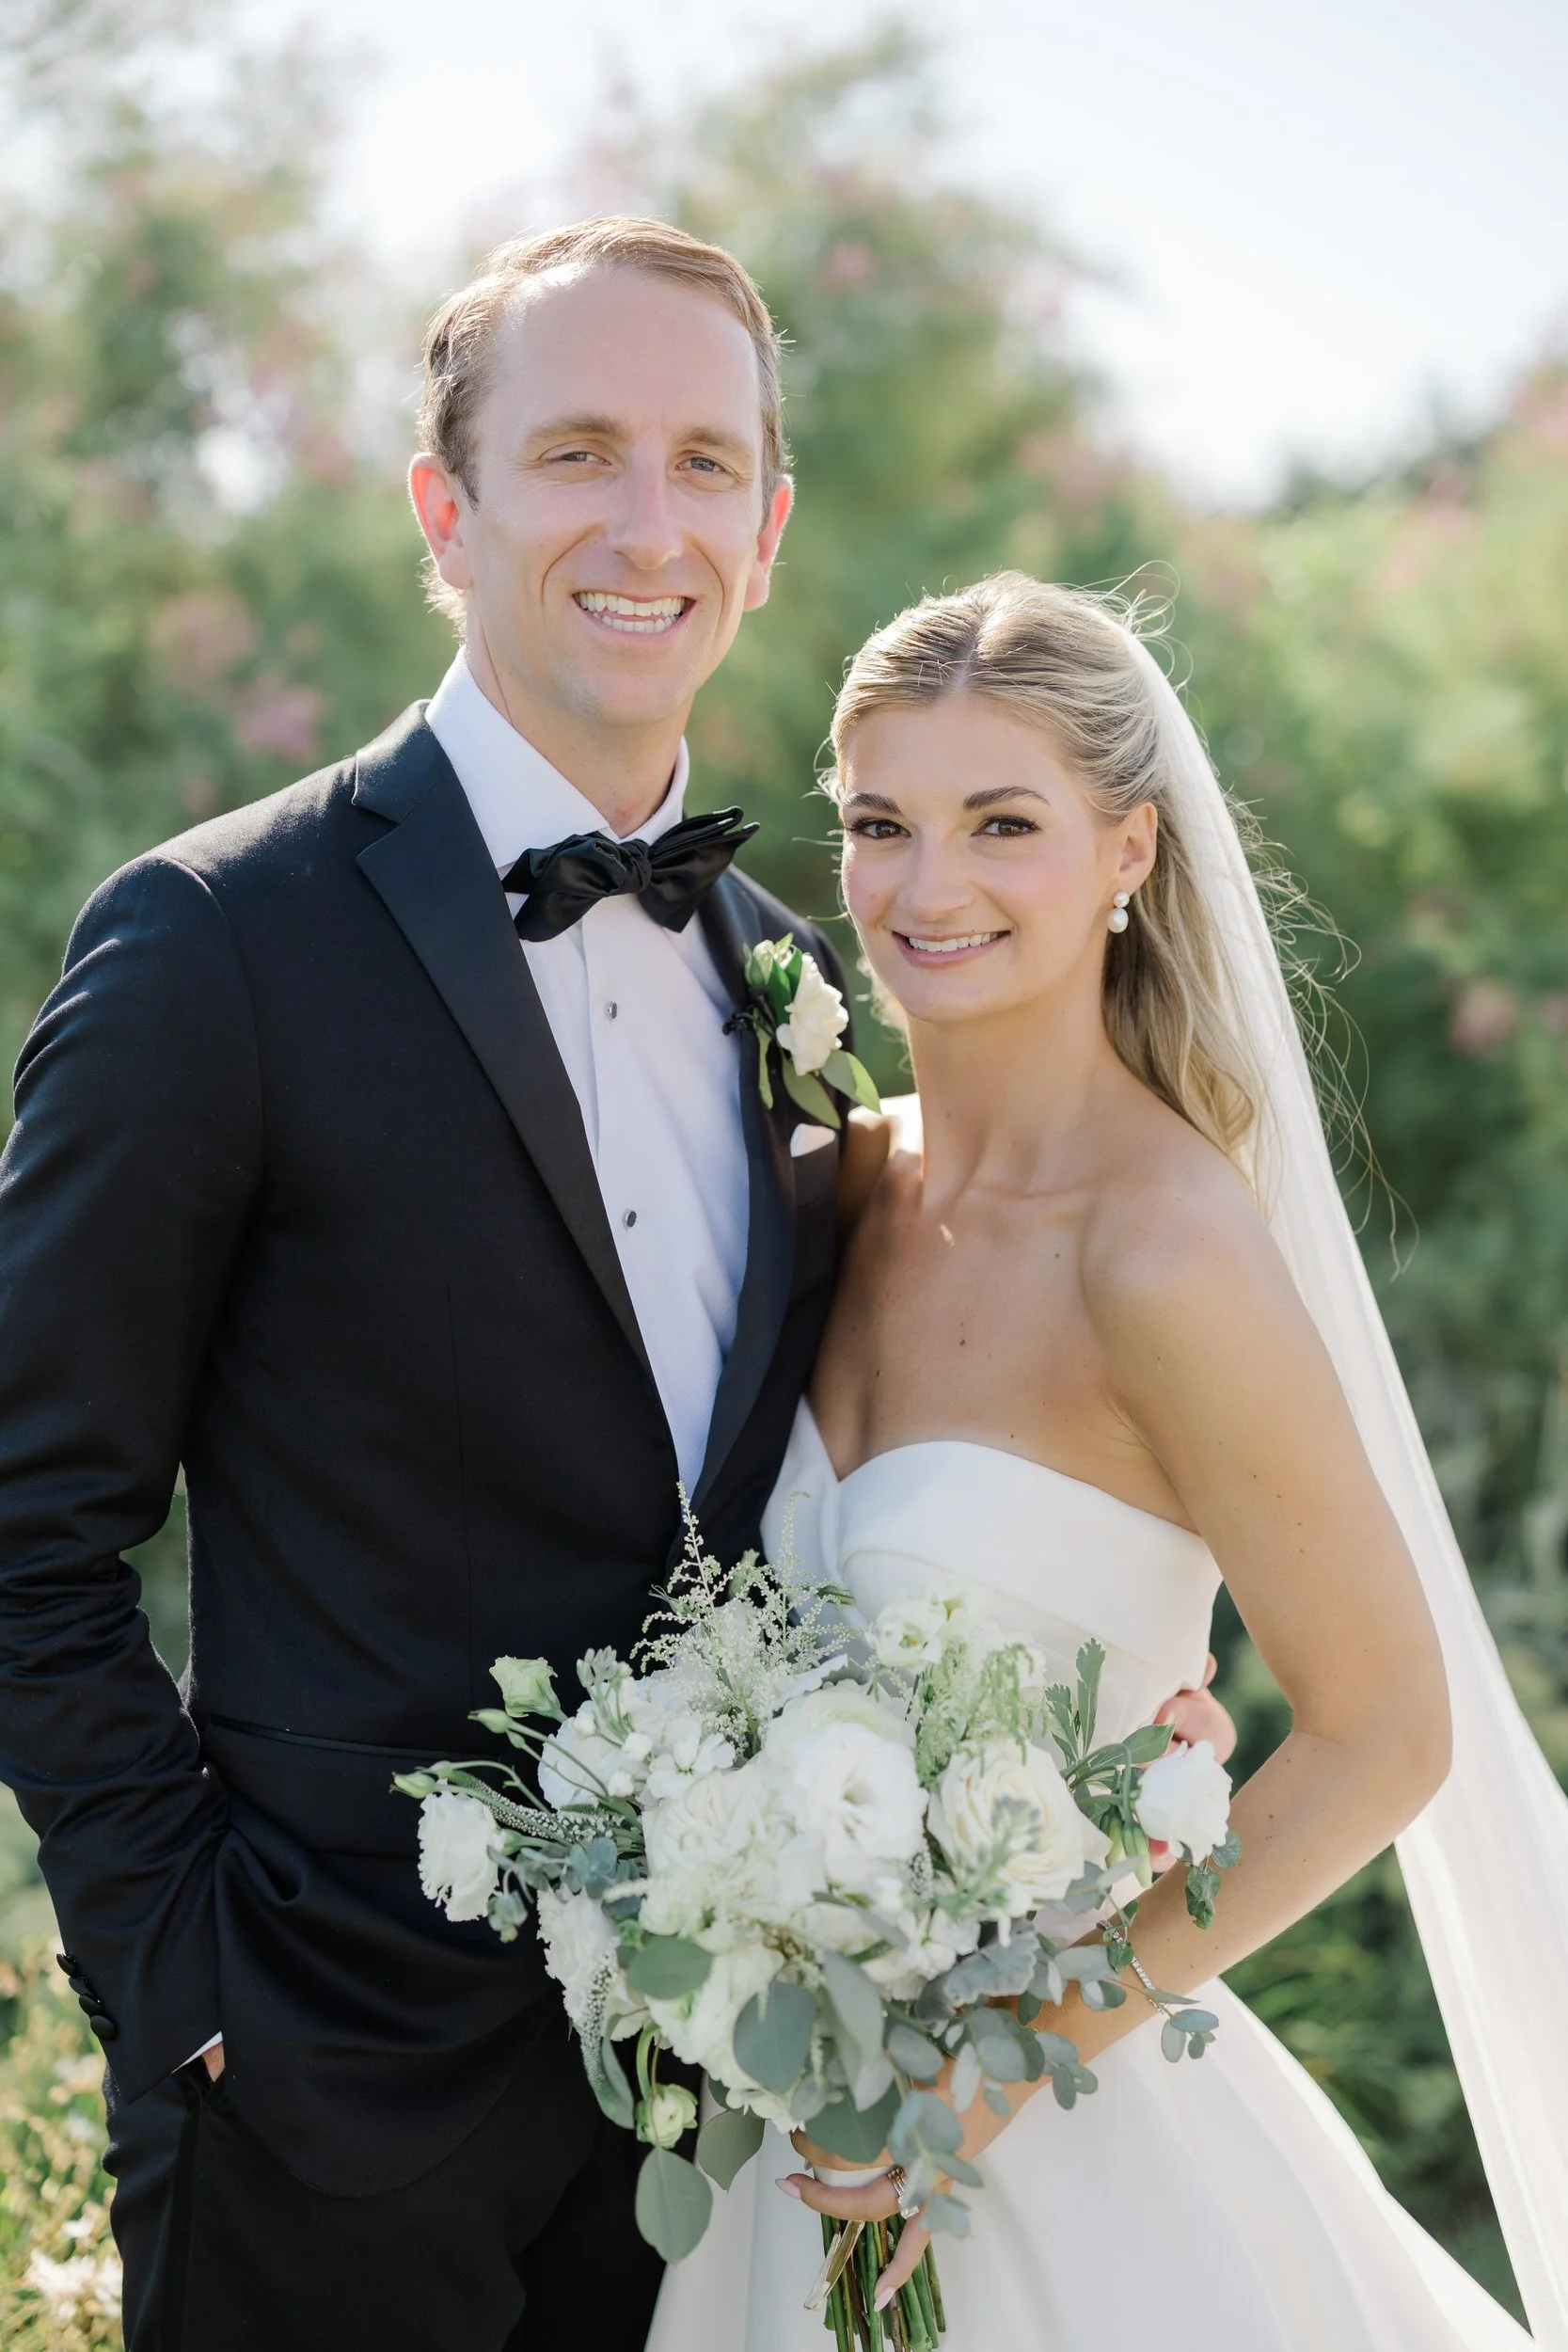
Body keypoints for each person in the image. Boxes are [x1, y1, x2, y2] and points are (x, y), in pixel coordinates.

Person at [0, 224, 1230, 2348]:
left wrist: (1112, 1729)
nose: (642, 521)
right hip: (316, 2102)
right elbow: (24, 1513)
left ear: (765, 527)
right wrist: (186, 1986)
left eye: (698, 461)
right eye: (574, 450)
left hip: (717, 2139)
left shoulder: (806, 974)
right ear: (441, 508)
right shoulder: (212, 942)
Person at [646, 574, 1560, 2350]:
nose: (928, 890)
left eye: (1004, 825)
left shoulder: (1163, 1252)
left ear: (1128, 852)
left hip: (1044, 2142)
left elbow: (1387, 1733)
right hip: (770, 2136)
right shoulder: (835, 1185)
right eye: (881, 826)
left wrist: (995, 2060)